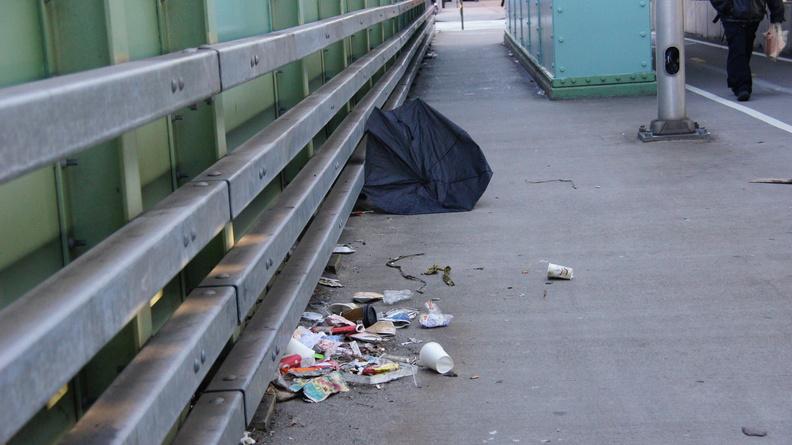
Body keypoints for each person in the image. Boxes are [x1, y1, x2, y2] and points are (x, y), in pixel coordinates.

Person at [709, 0, 785, 101]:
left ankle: (735, 80)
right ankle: (742, 86)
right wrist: (727, 8)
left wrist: (777, 15)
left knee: (745, 50)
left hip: (753, 16)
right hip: (733, 18)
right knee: (738, 50)